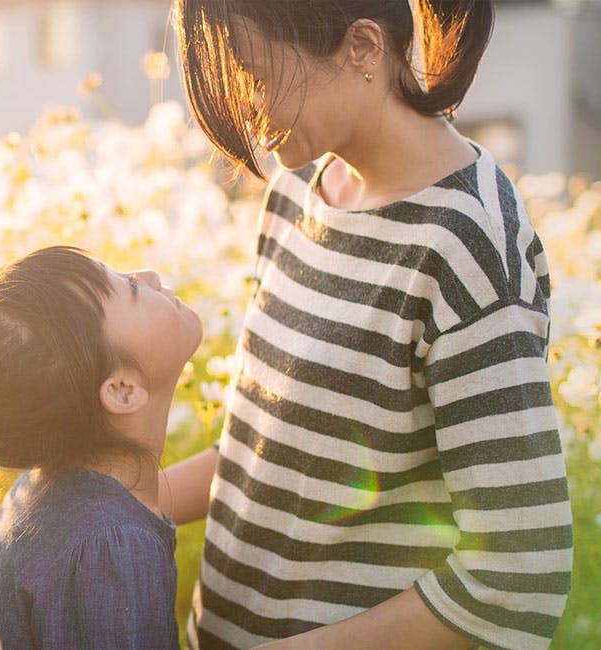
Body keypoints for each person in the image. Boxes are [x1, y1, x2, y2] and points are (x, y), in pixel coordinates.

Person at [161, 1, 573, 648]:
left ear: (360, 48)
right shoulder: (297, 192)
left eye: (256, 78)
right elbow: (265, 447)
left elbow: (518, 575)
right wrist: (97, 510)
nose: (246, 107)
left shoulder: (467, 246)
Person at [0, 245, 203, 649]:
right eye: (133, 289)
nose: (151, 274)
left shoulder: (52, 492)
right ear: (122, 391)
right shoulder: (110, 548)